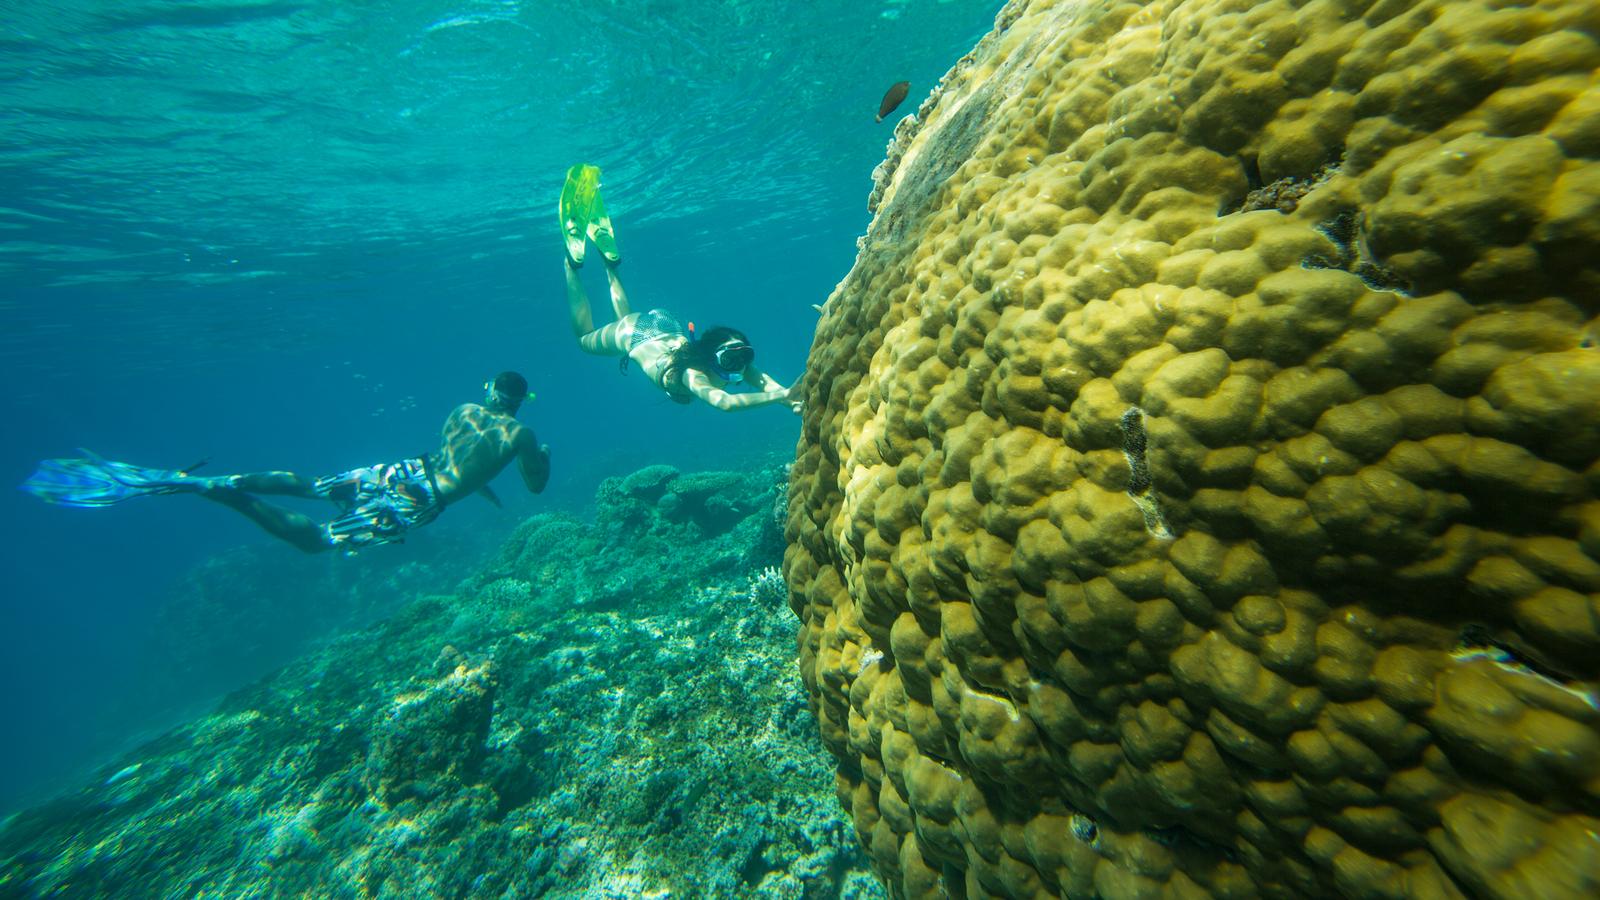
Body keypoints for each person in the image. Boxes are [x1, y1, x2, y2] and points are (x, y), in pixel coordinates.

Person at [20, 372, 552, 554]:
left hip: (403, 470)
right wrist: (541, 458)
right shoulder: (522, 432)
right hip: (425, 498)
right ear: (522, 400)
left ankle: (219, 479)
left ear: (489, 390)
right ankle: (223, 493)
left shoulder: (462, 410)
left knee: (314, 486)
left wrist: (479, 482)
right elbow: (535, 486)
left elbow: (458, 458)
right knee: (318, 541)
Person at [559, 163, 801, 412]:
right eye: (731, 358)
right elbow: (725, 402)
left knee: (626, 322)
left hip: (662, 327)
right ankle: (571, 265)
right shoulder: (691, 374)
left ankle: (611, 265)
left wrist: (791, 401)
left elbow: (764, 383)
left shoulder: (734, 362)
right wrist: (785, 394)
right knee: (583, 338)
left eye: (744, 356)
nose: (738, 365)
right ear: (711, 354)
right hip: (643, 333)